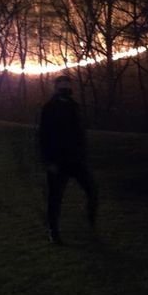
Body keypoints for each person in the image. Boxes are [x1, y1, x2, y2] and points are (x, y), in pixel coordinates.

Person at [39, 75, 98, 245]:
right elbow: (43, 137)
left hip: (76, 159)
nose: (65, 89)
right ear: (56, 89)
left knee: (92, 191)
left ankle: (89, 224)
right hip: (57, 161)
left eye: (67, 86)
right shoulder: (49, 108)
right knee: (55, 199)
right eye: (62, 86)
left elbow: (80, 132)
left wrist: (83, 154)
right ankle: (53, 231)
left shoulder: (74, 107)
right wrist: (49, 161)